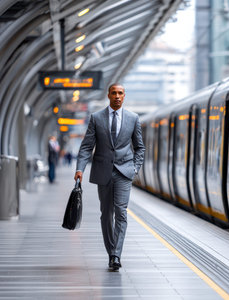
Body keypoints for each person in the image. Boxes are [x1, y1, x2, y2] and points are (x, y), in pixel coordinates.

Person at [74, 83, 145, 271]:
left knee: (121, 212)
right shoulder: (96, 118)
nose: (117, 96)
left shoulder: (133, 118)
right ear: (108, 95)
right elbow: (87, 147)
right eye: (114, 93)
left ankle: (116, 255)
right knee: (106, 214)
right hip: (103, 171)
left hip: (124, 172)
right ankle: (111, 251)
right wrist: (80, 168)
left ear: (124, 96)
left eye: (120, 93)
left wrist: (135, 168)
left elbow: (140, 147)